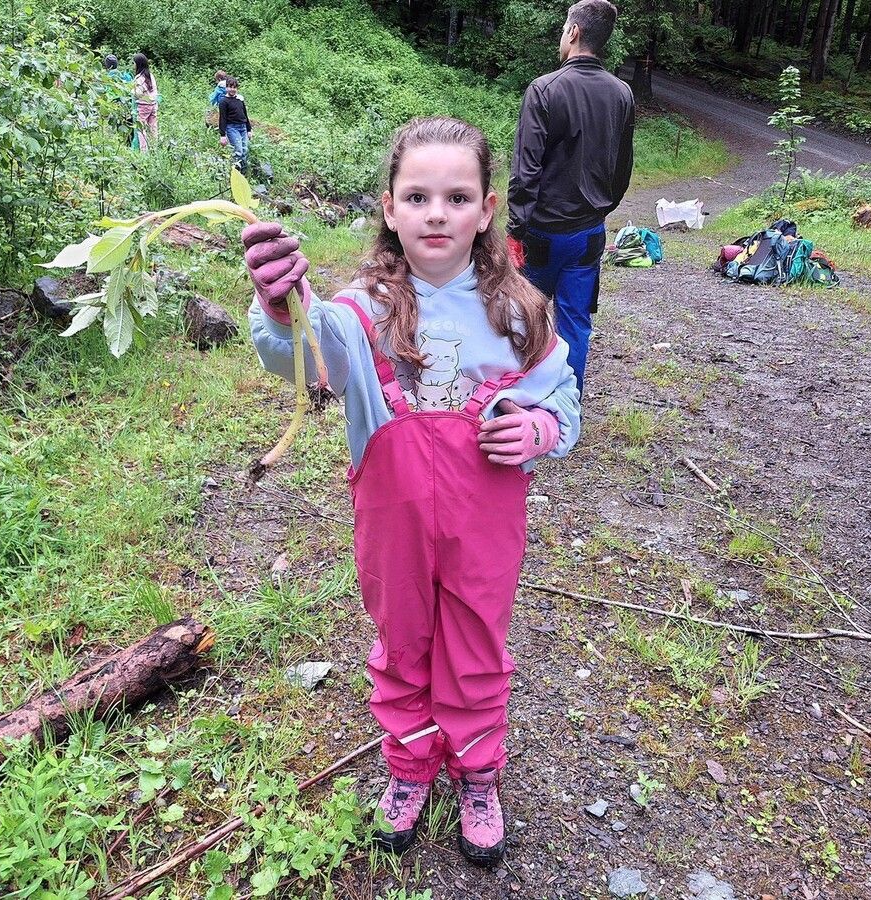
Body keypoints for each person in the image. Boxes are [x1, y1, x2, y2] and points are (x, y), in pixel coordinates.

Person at [242, 117, 581, 866]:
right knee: (403, 644)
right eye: (417, 196)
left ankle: (478, 771)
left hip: (486, 522)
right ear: (389, 209)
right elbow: (294, 353)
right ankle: (408, 765)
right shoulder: (359, 309)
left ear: (487, 209)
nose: (437, 212)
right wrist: (277, 304)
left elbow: (565, 401)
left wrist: (538, 432)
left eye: (457, 196)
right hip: (391, 520)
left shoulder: (519, 312)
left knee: (475, 646)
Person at [506, 0, 634, 395]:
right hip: (588, 233)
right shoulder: (622, 94)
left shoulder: (545, 90)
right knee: (576, 321)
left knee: (523, 318)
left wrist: (515, 229)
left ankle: (518, 398)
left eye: (564, 27)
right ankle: (566, 406)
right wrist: (601, 209)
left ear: (574, 32)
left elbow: (526, 171)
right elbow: (622, 168)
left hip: (541, 233)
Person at [218, 77, 252, 170]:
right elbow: (222, 118)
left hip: (243, 127)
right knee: (238, 151)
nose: (232, 89)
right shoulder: (223, 101)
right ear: (226, 88)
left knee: (245, 150)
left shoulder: (240, 99)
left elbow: (245, 114)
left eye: (234, 87)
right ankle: (235, 172)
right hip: (232, 128)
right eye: (230, 87)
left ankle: (244, 173)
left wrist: (249, 129)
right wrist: (222, 135)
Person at [103, 55, 135, 147]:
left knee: (120, 125)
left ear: (107, 65)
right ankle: (130, 142)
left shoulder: (107, 77)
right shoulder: (126, 76)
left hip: (116, 105)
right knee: (130, 123)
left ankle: (123, 144)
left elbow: (106, 92)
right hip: (128, 104)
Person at [132, 52, 158, 152]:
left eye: (134, 63)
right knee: (153, 127)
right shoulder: (150, 76)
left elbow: (138, 93)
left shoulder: (139, 78)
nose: (133, 65)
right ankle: (154, 148)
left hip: (143, 106)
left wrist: (131, 90)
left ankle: (144, 151)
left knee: (141, 129)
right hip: (153, 104)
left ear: (138, 64)